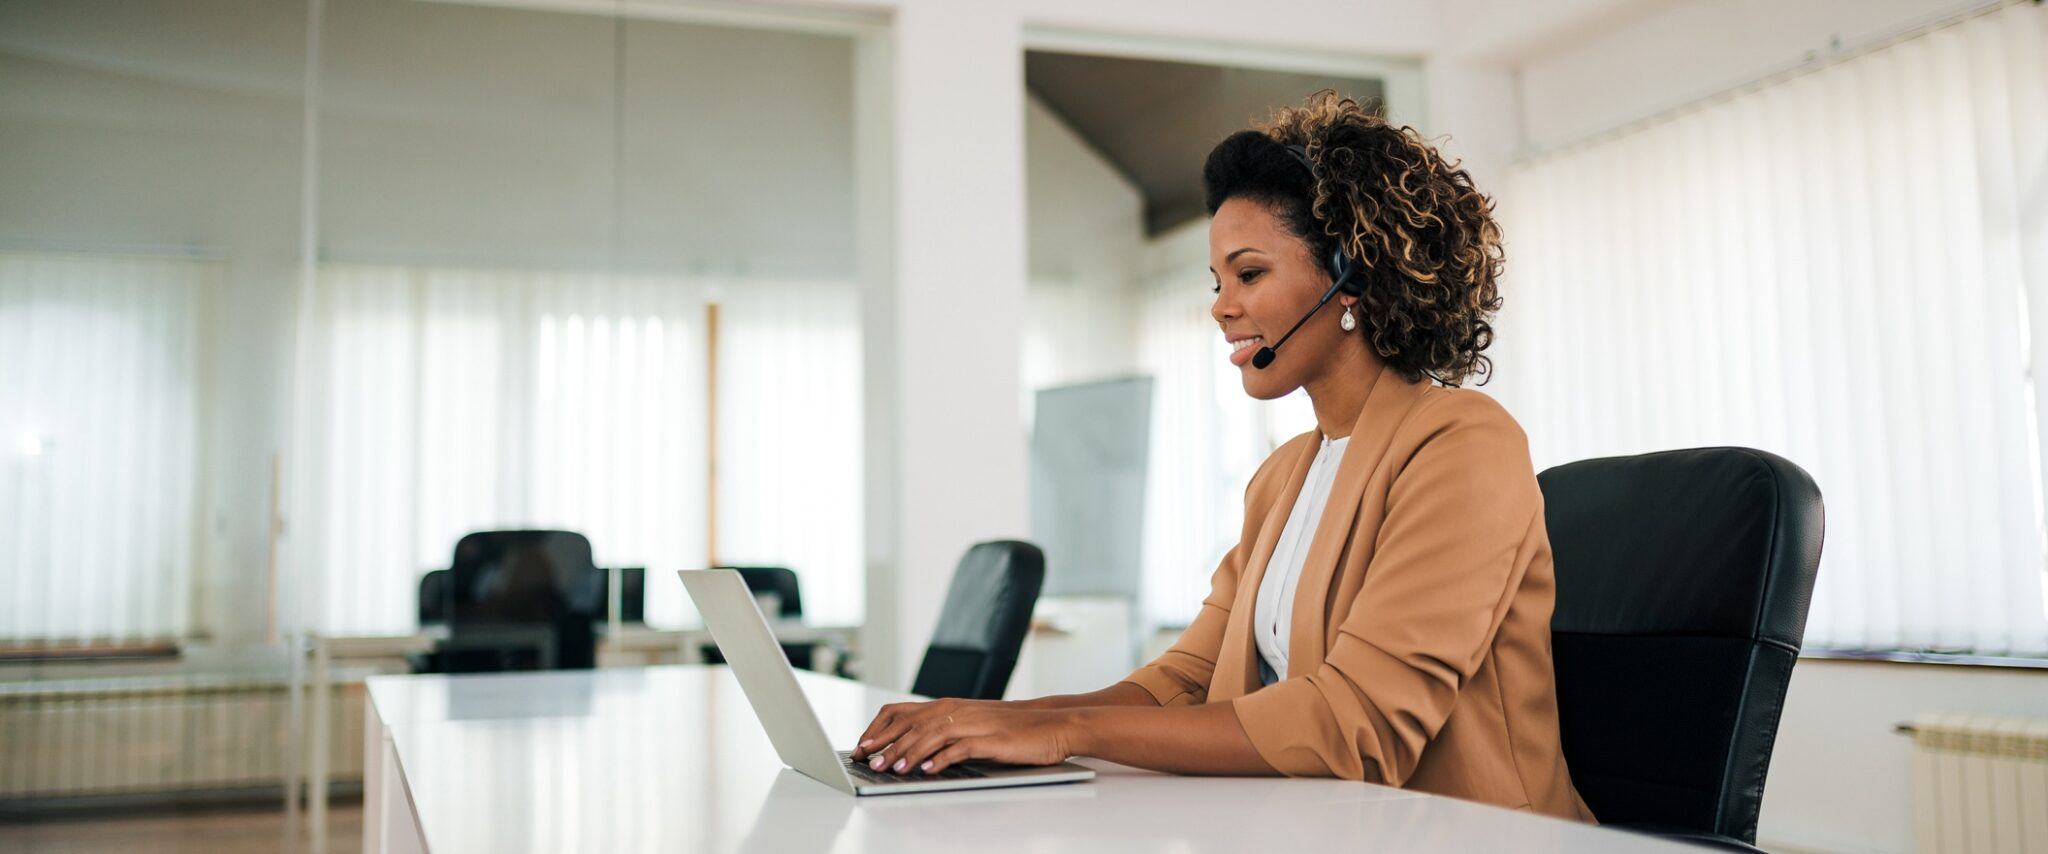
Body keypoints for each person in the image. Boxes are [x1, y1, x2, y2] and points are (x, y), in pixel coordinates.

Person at [851, 90, 1593, 821]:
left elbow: (1357, 721)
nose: (1219, 306)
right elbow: (1188, 677)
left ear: (1350, 278)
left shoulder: (1462, 443)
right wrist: (996, 721)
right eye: (1217, 282)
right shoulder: (1282, 479)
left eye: (1249, 273)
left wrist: (1065, 732)